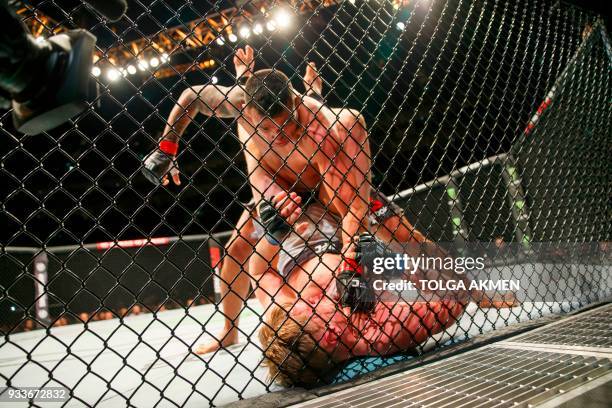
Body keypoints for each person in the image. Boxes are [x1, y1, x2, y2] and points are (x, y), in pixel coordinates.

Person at [142, 46, 427, 354]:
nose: (278, 135)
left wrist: (351, 262)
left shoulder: (322, 124)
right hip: (275, 193)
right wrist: (166, 148)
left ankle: (468, 286)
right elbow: (190, 98)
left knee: (401, 233)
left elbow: (352, 204)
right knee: (236, 249)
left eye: (288, 124)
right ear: (245, 109)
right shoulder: (236, 102)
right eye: (266, 127)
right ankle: (229, 330)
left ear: (295, 102)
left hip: (327, 187)